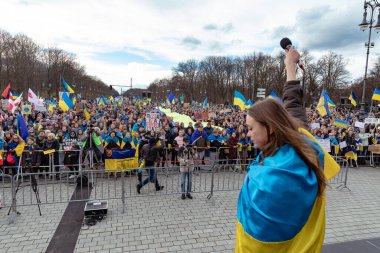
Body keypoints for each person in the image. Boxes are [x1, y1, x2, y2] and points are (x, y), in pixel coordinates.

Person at [235, 46, 339, 252]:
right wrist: (289, 66)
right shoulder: (302, 145)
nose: (247, 134)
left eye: (250, 128)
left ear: (271, 128)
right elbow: (293, 105)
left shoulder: (274, 179)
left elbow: (257, 242)